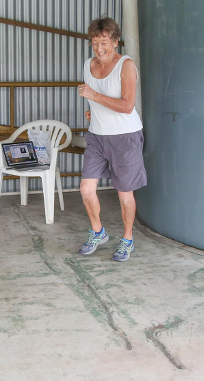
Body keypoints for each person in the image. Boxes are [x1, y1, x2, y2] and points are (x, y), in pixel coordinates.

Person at [77, 17, 146, 262]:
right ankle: (98, 231)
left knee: (124, 192)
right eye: (95, 43)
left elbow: (127, 106)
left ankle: (127, 239)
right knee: (86, 190)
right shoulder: (88, 64)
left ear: (115, 41)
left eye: (104, 42)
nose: (99, 48)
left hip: (125, 137)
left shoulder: (126, 66)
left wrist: (94, 96)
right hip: (97, 135)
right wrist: (92, 110)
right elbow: (96, 101)